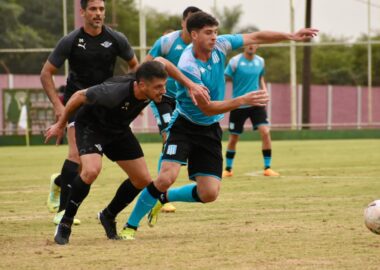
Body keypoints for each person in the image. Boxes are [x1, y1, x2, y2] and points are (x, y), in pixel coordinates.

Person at [113, 12, 317, 240]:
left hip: (209, 129)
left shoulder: (221, 45)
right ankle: (130, 226)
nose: (214, 37)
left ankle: (163, 198)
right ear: (194, 35)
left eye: (215, 32)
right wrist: (242, 100)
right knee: (165, 178)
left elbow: (256, 35)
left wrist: (290, 35)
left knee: (209, 193)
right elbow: (208, 108)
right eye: (208, 33)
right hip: (184, 126)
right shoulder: (188, 64)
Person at [44, 59, 210, 245]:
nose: (163, 90)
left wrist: (190, 85)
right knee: (91, 171)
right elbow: (78, 96)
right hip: (92, 127)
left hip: (118, 130)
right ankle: (65, 222)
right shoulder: (113, 93)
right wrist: (60, 125)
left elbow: (162, 61)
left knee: (142, 179)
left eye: (163, 85)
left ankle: (108, 215)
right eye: (158, 87)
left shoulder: (152, 88)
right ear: (141, 85)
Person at [40, 0, 138, 225]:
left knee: (85, 166)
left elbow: (136, 68)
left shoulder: (116, 39)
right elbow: (46, 73)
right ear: (82, 12)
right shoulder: (71, 40)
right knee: (75, 156)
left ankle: (58, 182)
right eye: (93, 9)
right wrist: (58, 106)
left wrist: (128, 96)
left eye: (101, 9)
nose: (98, 13)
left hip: (105, 106)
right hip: (77, 104)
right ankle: (63, 212)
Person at [145, 6, 202, 213]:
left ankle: (163, 187)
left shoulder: (200, 46)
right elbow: (145, 66)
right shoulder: (167, 42)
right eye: (190, 20)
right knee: (168, 135)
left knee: (178, 138)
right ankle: (161, 191)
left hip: (183, 100)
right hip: (163, 97)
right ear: (183, 22)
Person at [222, 45, 280, 178]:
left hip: (256, 103)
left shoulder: (260, 61)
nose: (251, 46)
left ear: (257, 46)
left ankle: (267, 167)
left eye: (254, 44)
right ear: (244, 46)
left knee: (265, 132)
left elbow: (261, 78)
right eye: (249, 43)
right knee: (233, 138)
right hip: (239, 104)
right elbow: (224, 78)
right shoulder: (235, 61)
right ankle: (228, 169)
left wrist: (264, 91)